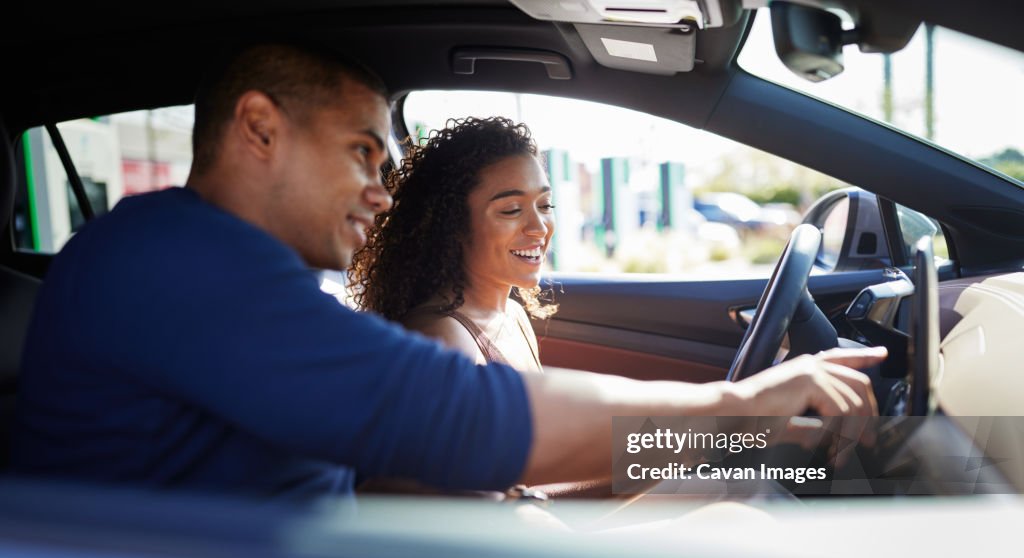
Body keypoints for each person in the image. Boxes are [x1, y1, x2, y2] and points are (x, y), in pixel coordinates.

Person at [10, 43, 886, 499]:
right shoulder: (174, 263)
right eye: (361, 154)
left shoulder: (239, 276)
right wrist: (734, 414)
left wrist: (729, 441)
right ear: (259, 127)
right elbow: (460, 421)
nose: (379, 194)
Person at [349, 117, 555, 373]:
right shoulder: (443, 337)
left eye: (545, 205)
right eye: (512, 210)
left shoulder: (512, 314)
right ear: (453, 225)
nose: (540, 227)